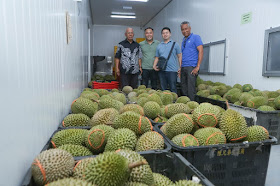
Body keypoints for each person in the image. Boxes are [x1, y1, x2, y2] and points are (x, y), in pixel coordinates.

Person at [153, 27, 182, 93]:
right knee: (163, 89)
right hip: (161, 70)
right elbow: (157, 57)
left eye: (167, 33)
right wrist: (154, 66)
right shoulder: (159, 46)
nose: (165, 34)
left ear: (170, 34)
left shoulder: (175, 44)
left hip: (172, 71)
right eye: (163, 33)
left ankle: (174, 102)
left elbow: (179, 56)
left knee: (173, 88)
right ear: (162, 35)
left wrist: (180, 67)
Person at [180, 21, 203, 101]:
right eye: (182, 29)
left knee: (190, 89)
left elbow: (201, 51)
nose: (184, 31)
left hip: (192, 67)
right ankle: (186, 106)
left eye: (186, 29)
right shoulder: (183, 40)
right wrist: (180, 68)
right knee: (183, 88)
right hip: (184, 67)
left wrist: (198, 67)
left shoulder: (196, 37)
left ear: (190, 28)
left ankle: (192, 107)